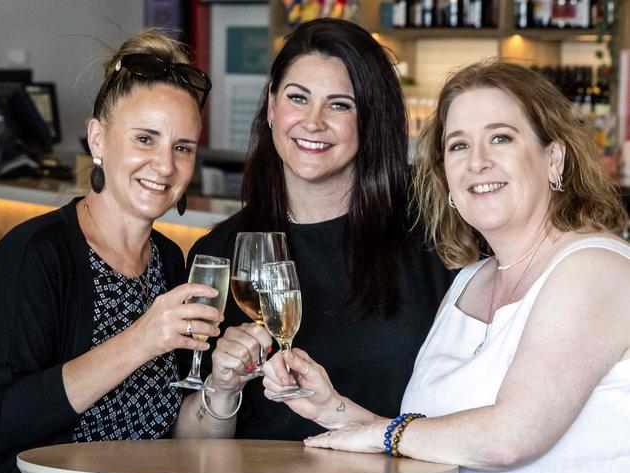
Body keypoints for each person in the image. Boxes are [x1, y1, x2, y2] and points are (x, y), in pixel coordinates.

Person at [263, 59, 630, 473]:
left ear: (554, 158)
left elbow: (510, 437)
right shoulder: (469, 282)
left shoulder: (592, 267)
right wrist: (332, 408)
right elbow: (425, 441)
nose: (478, 162)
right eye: (458, 146)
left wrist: (383, 433)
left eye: (501, 138)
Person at [184, 17, 453, 440]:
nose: (313, 121)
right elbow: (191, 452)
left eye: (340, 104)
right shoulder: (221, 253)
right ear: (272, 107)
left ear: (371, 120)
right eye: (298, 98)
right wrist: (221, 385)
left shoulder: (433, 239)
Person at [0, 30, 223, 473]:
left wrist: (222, 387)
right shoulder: (37, 255)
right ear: (98, 139)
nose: (166, 166)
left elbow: (182, 441)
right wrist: (140, 340)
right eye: (145, 139)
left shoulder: (170, 262)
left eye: (182, 147)